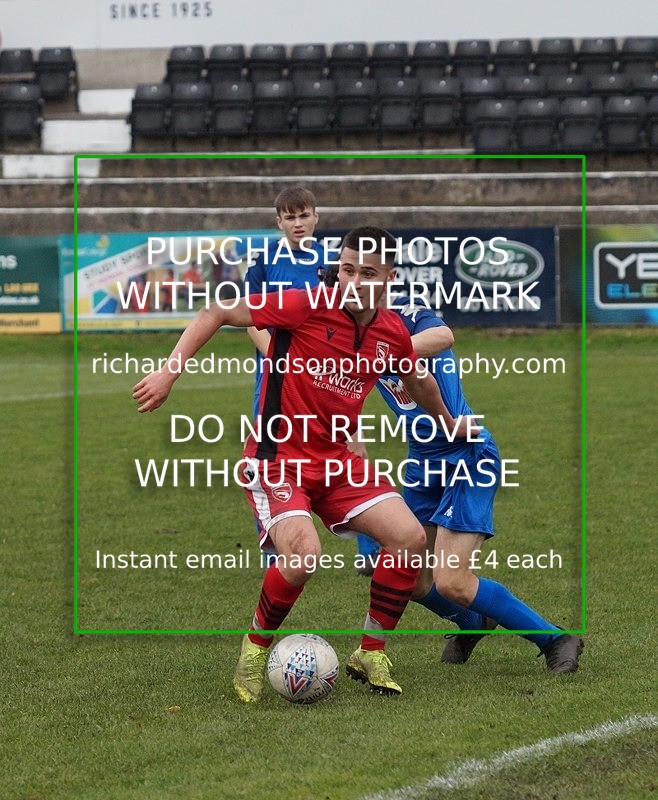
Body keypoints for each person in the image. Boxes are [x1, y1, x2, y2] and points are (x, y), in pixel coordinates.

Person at [133, 227, 475, 702]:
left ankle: (370, 652)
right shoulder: (307, 304)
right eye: (347, 270)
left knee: (410, 538)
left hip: (336, 463)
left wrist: (449, 423)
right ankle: (253, 653)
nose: (353, 281)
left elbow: (419, 383)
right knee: (302, 556)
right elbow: (218, 310)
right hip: (277, 460)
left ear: (389, 278)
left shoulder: (391, 330)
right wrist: (169, 373)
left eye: (367, 274)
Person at [373, 295, 584, 674]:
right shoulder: (348, 334)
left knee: (452, 581)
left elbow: (443, 335)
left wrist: (381, 348)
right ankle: (473, 622)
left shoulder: (407, 311)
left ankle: (555, 638)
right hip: (422, 461)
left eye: (367, 274)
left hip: (466, 453)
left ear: (388, 278)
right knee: (413, 580)